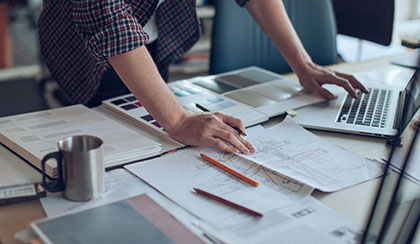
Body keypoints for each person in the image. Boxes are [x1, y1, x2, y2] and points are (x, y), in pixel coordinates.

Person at [38, 0, 368, 154]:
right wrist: (178, 119)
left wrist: (303, 64)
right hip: (83, 44)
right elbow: (107, 18)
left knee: (153, 138)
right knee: (106, 145)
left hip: (153, 29)